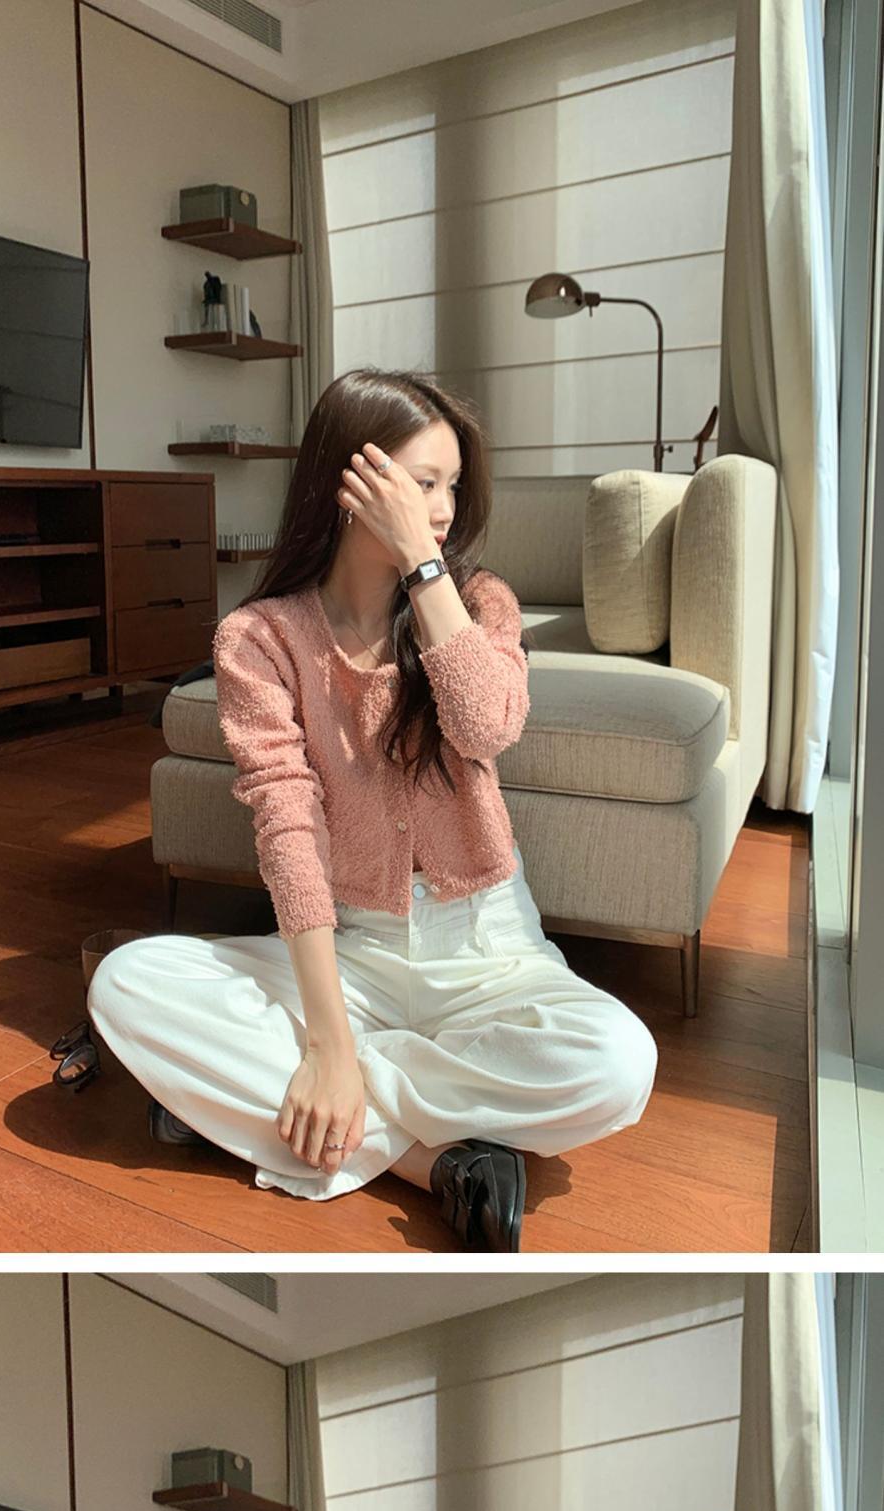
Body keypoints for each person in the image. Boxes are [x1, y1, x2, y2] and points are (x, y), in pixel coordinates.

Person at [88, 368, 657, 1246]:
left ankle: (290, 1103)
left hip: (487, 949)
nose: (443, 509)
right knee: (126, 984)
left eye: (453, 486)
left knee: (618, 1064)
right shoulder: (258, 639)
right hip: (348, 951)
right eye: (422, 483)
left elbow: (489, 726)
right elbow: (287, 831)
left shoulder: (475, 603)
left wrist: (424, 571)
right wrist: (327, 1037)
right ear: (348, 483)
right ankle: (425, 1160)